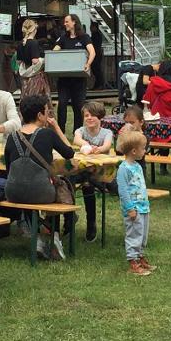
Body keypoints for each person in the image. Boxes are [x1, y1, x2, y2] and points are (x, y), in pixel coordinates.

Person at [4, 94, 76, 261]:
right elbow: (70, 153)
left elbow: (9, 170)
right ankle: (55, 237)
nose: (48, 114)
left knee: (26, 190)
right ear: (39, 115)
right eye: (46, 111)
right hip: (41, 192)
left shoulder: (11, 137)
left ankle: (36, 238)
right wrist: (56, 127)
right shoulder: (47, 134)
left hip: (13, 192)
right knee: (58, 186)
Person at [73, 101, 114, 242]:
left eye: (93, 115)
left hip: (101, 173)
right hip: (84, 170)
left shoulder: (107, 132)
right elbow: (76, 139)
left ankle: (91, 223)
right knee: (81, 182)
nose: (89, 118)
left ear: (100, 117)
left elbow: (107, 145)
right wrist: (85, 144)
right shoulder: (81, 131)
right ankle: (74, 217)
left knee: (88, 183)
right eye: (86, 115)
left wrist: (99, 149)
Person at [52, 13, 96, 137]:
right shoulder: (63, 38)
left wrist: (88, 63)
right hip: (64, 79)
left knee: (78, 107)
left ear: (74, 22)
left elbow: (92, 52)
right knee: (62, 104)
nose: (64, 24)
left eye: (67, 22)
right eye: (65, 22)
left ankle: (77, 132)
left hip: (79, 79)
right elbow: (54, 51)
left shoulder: (84, 37)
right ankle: (60, 132)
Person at [116, 130, 152, 276]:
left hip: (143, 207)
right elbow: (123, 191)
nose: (145, 151)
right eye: (143, 148)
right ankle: (132, 261)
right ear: (134, 151)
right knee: (134, 234)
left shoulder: (137, 166)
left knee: (143, 234)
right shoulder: (123, 169)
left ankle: (140, 256)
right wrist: (130, 208)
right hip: (133, 209)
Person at [15, 18, 48, 98]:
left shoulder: (21, 43)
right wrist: (44, 60)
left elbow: (19, 61)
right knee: (36, 99)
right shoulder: (34, 43)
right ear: (34, 30)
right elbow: (35, 61)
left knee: (26, 98)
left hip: (24, 77)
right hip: (35, 78)